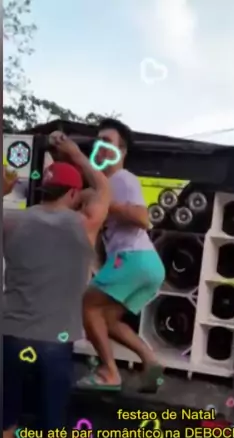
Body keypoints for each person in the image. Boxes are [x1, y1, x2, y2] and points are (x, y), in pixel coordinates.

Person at [2, 132, 111, 438]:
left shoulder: (11, 221)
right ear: (72, 194)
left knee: (4, 428)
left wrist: (1, 190)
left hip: (9, 336)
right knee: (51, 437)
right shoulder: (84, 224)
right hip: (54, 344)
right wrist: (75, 154)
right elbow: (102, 188)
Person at [78, 118, 165, 393]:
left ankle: (109, 372)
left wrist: (106, 204)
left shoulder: (122, 179)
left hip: (132, 258)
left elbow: (143, 218)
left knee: (87, 305)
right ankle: (151, 362)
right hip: (148, 264)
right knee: (107, 319)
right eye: (98, 141)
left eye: (107, 142)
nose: (100, 146)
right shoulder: (105, 184)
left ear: (122, 151)